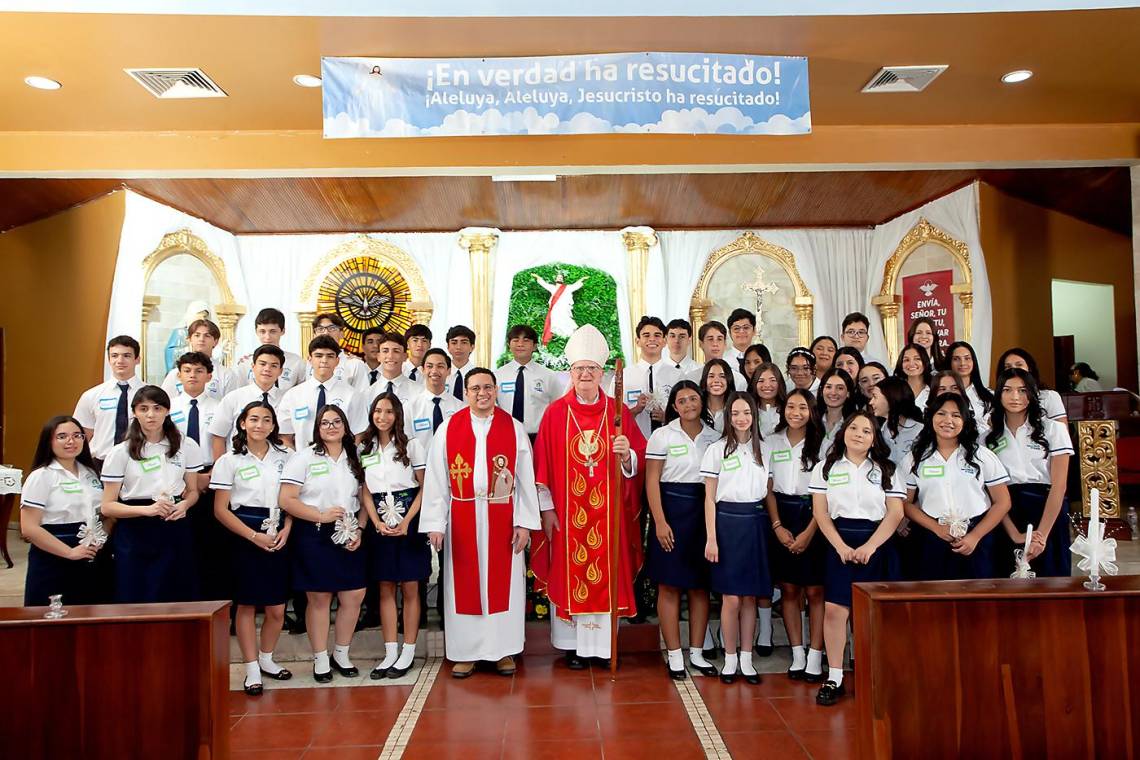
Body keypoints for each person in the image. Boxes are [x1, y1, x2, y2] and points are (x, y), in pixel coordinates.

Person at [532, 325, 647, 668]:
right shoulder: (555, 413)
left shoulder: (618, 413)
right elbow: (543, 467)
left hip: (609, 514)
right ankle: (573, 648)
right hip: (567, 515)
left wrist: (627, 455)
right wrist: (548, 510)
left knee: (605, 569)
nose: (585, 374)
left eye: (592, 369)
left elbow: (637, 461)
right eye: (580, 369)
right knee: (570, 569)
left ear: (602, 373)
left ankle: (603, 646)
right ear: (570, 372)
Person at [421, 368, 540, 677]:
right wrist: (436, 523)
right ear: (465, 392)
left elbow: (526, 479)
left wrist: (525, 523)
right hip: (462, 517)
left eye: (487, 387)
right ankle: (466, 652)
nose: (482, 393)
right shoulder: (448, 429)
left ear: (496, 389)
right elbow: (436, 480)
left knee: (505, 587)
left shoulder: (513, 428)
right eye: (475, 388)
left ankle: (503, 652)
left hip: (503, 516)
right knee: (465, 588)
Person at [810, 410, 904, 706]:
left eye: (866, 430)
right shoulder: (826, 467)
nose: (858, 434)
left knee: (872, 614)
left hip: (876, 544)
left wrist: (871, 547)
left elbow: (896, 514)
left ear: (874, 439)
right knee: (836, 611)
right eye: (853, 428)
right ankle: (835, 676)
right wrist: (839, 546)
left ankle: (872, 673)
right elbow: (820, 513)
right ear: (843, 431)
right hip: (839, 542)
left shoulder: (887, 469)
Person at [211, 401, 294, 696]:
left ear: (274, 426)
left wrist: (287, 528)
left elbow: (293, 498)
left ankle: (267, 658)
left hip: (278, 531)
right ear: (243, 423)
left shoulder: (287, 457)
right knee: (246, 605)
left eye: (266, 420)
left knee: (276, 607)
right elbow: (221, 510)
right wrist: (252, 536)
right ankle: (251, 668)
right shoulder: (229, 460)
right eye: (253, 419)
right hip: (243, 534)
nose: (259, 425)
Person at [279, 404, 367, 682]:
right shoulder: (303, 458)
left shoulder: (357, 456)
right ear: (317, 428)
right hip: (314, 533)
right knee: (319, 598)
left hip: (349, 531)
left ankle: (341, 653)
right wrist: (320, 514)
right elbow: (287, 499)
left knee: (354, 594)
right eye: (325, 423)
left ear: (345, 425)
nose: (331, 426)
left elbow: (365, 498)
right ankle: (320, 658)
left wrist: (360, 529)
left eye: (336, 421)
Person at [644, 381, 720, 679]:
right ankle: (674, 654)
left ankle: (698, 653)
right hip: (671, 513)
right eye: (682, 401)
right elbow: (651, 481)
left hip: (704, 514)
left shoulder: (715, 438)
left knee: (700, 587)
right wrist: (660, 522)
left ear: (701, 402)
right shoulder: (662, 435)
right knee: (669, 585)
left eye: (693, 399)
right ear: (674, 406)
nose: (688, 405)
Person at [100, 385, 203, 603]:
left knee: (176, 592)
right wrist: (147, 510)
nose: (151, 415)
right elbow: (107, 506)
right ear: (135, 412)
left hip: (173, 524)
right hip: (136, 529)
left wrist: (184, 505)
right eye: (143, 408)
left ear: (167, 411)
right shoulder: (121, 452)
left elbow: (193, 491)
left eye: (157, 408)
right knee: (136, 593)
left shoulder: (186, 445)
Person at [358, 393, 430, 679]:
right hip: (379, 518)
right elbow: (364, 488)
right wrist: (375, 521)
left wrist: (407, 521)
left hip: (409, 516)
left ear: (398, 415)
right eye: (378, 411)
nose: (383, 417)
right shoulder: (365, 446)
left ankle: (408, 651)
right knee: (385, 586)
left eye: (389, 411)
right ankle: (390, 652)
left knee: (410, 586)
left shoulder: (412, 446)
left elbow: (425, 487)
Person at [902, 393, 1011, 580]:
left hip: (978, 537)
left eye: (956, 415)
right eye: (941, 414)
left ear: (965, 420)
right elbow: (905, 503)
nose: (948, 420)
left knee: (978, 601)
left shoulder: (981, 455)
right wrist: (936, 528)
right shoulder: (915, 457)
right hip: (933, 537)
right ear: (931, 417)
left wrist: (975, 536)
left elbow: (1003, 502)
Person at [701, 391, 769, 685]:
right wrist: (711, 538)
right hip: (726, 525)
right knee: (730, 599)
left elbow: (769, 491)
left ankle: (746, 657)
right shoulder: (716, 450)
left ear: (755, 416)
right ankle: (729, 658)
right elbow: (709, 498)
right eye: (735, 413)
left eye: (747, 413)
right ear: (727, 417)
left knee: (750, 597)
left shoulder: (764, 449)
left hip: (754, 523)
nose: (742, 419)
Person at [987, 368, 1075, 577]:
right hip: (1006, 512)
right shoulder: (987, 438)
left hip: (1047, 509)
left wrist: (1041, 535)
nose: (1015, 397)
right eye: (1007, 390)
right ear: (999, 395)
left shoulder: (1053, 430)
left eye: (1022, 390)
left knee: (1050, 579)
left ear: (1032, 394)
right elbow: (991, 493)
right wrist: (1013, 532)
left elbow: (1059, 485)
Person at [764, 389, 826, 683]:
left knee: (815, 591)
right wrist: (777, 526)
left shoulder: (823, 444)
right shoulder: (771, 441)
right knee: (789, 589)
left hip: (815, 516)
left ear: (812, 411)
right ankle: (797, 652)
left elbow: (825, 494)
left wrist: (810, 531)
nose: (796, 412)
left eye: (803, 407)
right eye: (791, 406)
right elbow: (768, 487)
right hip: (782, 516)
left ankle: (815, 654)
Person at [20, 416, 110, 606]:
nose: (71, 441)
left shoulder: (91, 472)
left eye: (77, 435)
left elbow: (105, 513)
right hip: (54, 553)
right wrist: (69, 552)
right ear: (49, 441)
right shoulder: (41, 476)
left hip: (91, 551)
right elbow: (29, 528)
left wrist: (101, 539)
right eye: (62, 436)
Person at [168, 351, 226, 602]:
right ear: (179, 375)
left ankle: (212, 600)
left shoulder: (220, 406)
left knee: (212, 543)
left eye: (199, 371)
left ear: (209, 376)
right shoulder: (168, 407)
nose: (193, 375)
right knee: (181, 543)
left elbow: (227, 445)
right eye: (188, 371)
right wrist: (185, 480)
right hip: (178, 481)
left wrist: (211, 475)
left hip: (211, 476)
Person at [278, 336, 367, 451]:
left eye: (330, 356)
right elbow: (285, 435)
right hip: (303, 461)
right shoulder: (293, 395)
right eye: (318, 356)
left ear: (337, 361)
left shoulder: (352, 395)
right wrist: (297, 460)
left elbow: (358, 433)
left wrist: (345, 459)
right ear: (309, 359)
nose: (324, 360)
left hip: (341, 462)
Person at [74, 336, 144, 463]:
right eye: (115, 355)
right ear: (109, 359)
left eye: (127, 355)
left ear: (137, 359)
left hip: (139, 462)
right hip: (101, 462)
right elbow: (82, 435)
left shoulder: (149, 395)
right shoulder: (91, 395)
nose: (120, 360)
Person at [210, 345, 287, 459]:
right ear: (253, 366)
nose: (267, 369)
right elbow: (218, 436)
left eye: (274, 366)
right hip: (239, 463)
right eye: (262, 364)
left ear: (280, 371)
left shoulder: (287, 398)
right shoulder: (233, 398)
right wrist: (220, 468)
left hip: (276, 464)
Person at [496, 324, 562, 439]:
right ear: (509, 345)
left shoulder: (548, 376)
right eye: (515, 340)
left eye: (526, 340)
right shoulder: (497, 375)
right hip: (506, 435)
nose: (520, 344)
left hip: (538, 437)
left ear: (535, 346)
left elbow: (557, 407)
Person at [161, 319, 238, 402]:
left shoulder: (226, 375)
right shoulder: (175, 374)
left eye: (207, 336)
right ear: (190, 339)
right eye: (197, 335)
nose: (201, 339)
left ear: (215, 342)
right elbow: (163, 402)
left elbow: (231, 405)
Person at [405, 348, 465, 449]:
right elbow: (406, 442)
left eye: (440, 366)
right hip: (421, 463)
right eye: (429, 366)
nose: (434, 371)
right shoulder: (410, 407)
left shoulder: (460, 408)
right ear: (423, 370)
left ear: (449, 371)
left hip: (452, 463)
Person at [234, 308, 304, 390]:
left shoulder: (296, 362)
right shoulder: (245, 362)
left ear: (282, 331)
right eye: (262, 331)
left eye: (273, 331)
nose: (267, 337)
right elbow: (239, 392)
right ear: (256, 331)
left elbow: (302, 393)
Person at [996, 348, 1067, 423]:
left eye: (1019, 365)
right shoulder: (997, 397)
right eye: (1008, 367)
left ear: (1030, 368)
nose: (1013, 370)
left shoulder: (1048, 396)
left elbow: (1062, 431)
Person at [309, 313, 370, 394]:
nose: (326, 333)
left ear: (342, 333)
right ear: (314, 334)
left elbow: (362, 398)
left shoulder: (355, 364)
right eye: (320, 329)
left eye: (332, 328)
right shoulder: (308, 363)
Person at [365, 331, 421, 407]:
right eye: (385, 351)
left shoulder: (419, 392)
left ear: (405, 356)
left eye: (396, 351)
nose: (390, 356)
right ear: (378, 356)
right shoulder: (367, 394)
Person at [687, 322, 746, 390]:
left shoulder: (738, 379)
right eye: (710, 339)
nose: (715, 344)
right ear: (701, 344)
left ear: (725, 344)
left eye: (719, 339)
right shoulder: (691, 378)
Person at [944, 341, 993, 424]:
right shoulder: (941, 393)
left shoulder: (989, 396)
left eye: (967, 358)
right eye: (956, 359)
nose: (962, 363)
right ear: (950, 363)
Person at [533, 271, 587, 342]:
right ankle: (558, 338)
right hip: (555, 309)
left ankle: (568, 338)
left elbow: (575, 285)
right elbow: (544, 284)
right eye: (558, 277)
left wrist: (582, 279)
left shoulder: (568, 288)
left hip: (564, 309)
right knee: (556, 323)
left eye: (561, 277)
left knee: (566, 322)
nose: (560, 278)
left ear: (563, 280)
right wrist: (537, 277)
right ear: (555, 279)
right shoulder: (552, 288)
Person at [817, 368, 857, 450]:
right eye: (828, 387)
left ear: (848, 393)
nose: (833, 392)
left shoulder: (855, 422)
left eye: (840, 388)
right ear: (821, 391)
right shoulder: (813, 419)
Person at [749, 362, 786, 437]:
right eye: (761, 381)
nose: (766, 385)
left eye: (772, 380)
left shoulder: (787, 410)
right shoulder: (748, 411)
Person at [699, 359, 734, 434]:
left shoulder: (735, 408)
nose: (716, 381)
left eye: (722, 376)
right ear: (705, 380)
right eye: (711, 376)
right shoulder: (697, 409)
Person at [894, 343, 932, 409]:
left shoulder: (934, 389)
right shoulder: (894, 390)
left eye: (917, 359)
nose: (911, 364)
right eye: (906, 360)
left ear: (925, 361)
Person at [445, 325, 477, 401]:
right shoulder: (441, 374)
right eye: (454, 342)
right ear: (448, 347)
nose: (458, 347)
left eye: (464, 342)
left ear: (472, 347)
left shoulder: (479, 376)